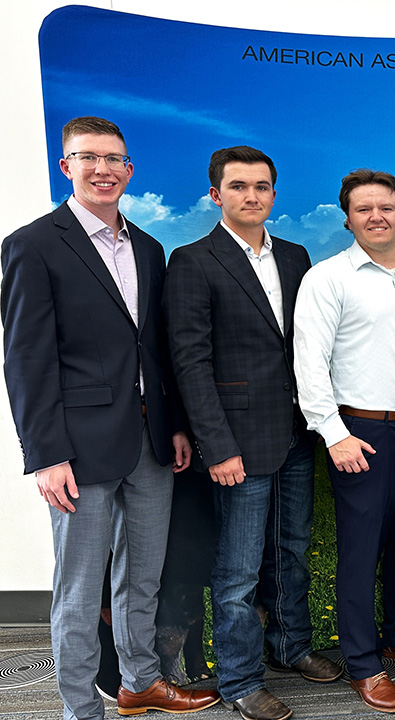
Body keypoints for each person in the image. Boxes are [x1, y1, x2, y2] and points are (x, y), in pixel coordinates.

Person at [0, 116, 219, 719]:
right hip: (78, 449)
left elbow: (153, 350)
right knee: (78, 592)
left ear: (129, 169)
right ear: (66, 166)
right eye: (88, 157)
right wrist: (44, 454)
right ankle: (79, 709)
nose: (103, 168)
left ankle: (139, 681)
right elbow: (25, 359)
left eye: (114, 158)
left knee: (142, 577)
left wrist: (173, 423)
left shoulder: (149, 248)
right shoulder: (33, 244)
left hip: (151, 442)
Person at [164, 146, 341, 720]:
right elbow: (189, 362)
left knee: (290, 549)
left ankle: (290, 647)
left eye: (262, 186)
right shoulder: (192, 261)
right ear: (216, 194)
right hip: (235, 445)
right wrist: (216, 446)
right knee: (237, 570)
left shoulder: (295, 256)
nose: (252, 196)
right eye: (238, 187)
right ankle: (241, 680)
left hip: (293, 434)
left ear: (273, 194)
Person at [293, 169, 395, 714]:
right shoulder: (328, 278)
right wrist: (335, 434)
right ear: (348, 218)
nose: (377, 216)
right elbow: (309, 363)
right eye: (364, 209)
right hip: (361, 431)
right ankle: (364, 663)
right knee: (361, 551)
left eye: (386, 207)